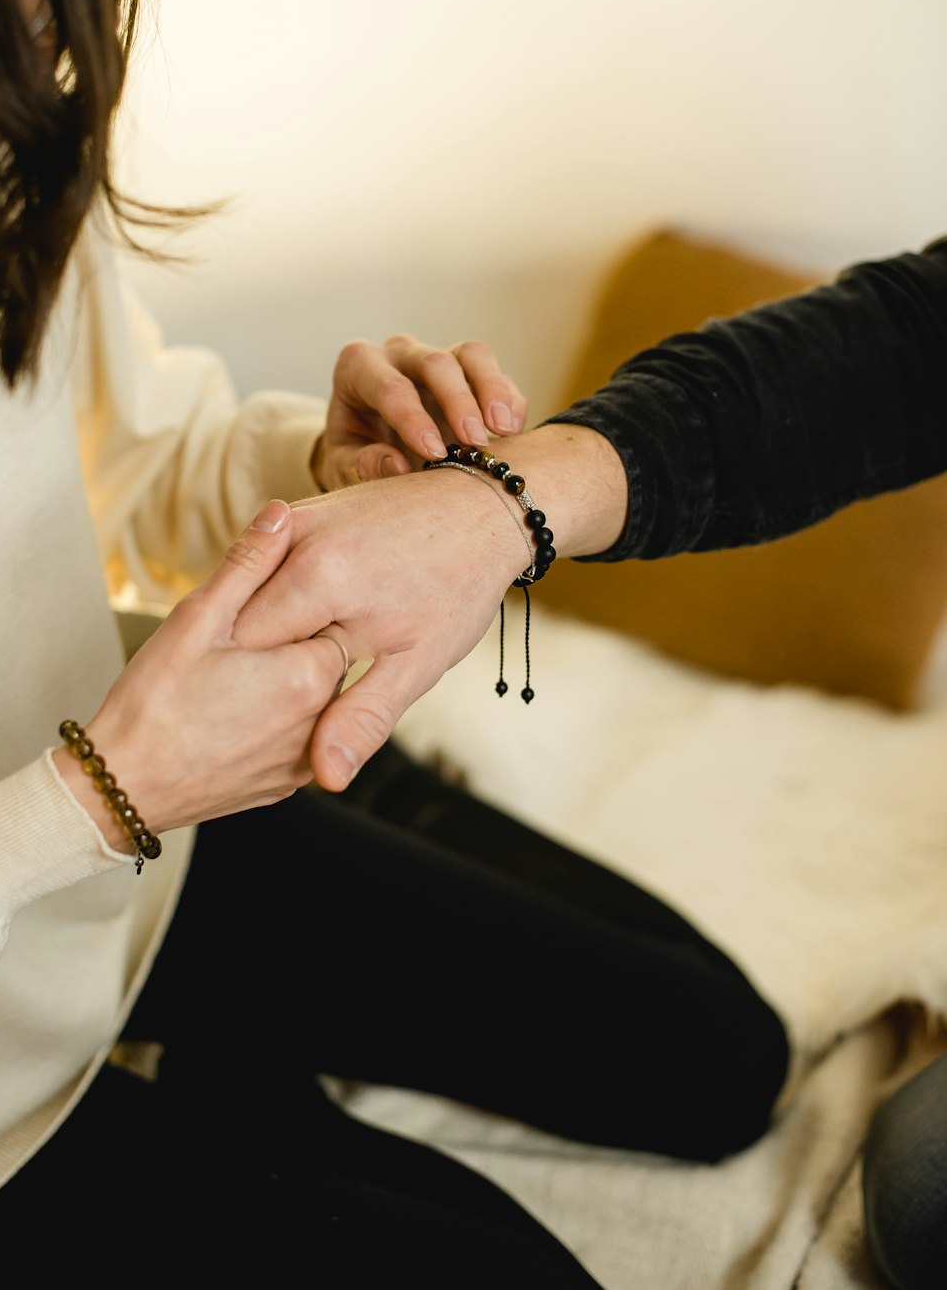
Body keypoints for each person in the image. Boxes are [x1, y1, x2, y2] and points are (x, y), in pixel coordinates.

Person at [0, 0, 792, 1284]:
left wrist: (312, 461)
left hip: (115, 874)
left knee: (720, 1059)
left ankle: (286, 903)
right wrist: (91, 800)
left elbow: (128, 461)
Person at [234, 236, 947, 1290]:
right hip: (89, 850)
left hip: (155, 861)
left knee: (731, 1070)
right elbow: (894, 351)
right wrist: (497, 502)